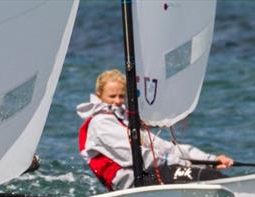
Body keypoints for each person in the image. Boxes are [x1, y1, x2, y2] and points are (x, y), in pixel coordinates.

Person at [77, 69, 234, 190]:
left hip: (149, 174)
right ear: (99, 95)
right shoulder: (101, 123)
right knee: (205, 177)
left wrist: (210, 160)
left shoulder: (124, 120)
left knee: (210, 174)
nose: (118, 101)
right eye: (112, 96)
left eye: (121, 96)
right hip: (131, 182)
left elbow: (165, 148)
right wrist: (182, 163)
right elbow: (136, 157)